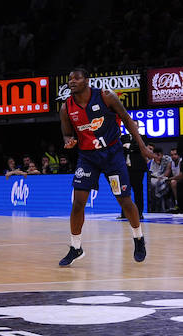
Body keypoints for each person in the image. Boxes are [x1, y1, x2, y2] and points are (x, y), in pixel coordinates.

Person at [58, 67, 154, 266]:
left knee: (124, 200)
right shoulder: (66, 108)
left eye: (76, 78)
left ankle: (138, 238)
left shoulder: (106, 96)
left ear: (87, 80)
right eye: (70, 79)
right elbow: (67, 133)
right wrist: (69, 141)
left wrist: (142, 146)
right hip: (87, 157)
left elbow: (127, 120)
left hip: (112, 154)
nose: (72, 81)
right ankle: (76, 247)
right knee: (78, 203)